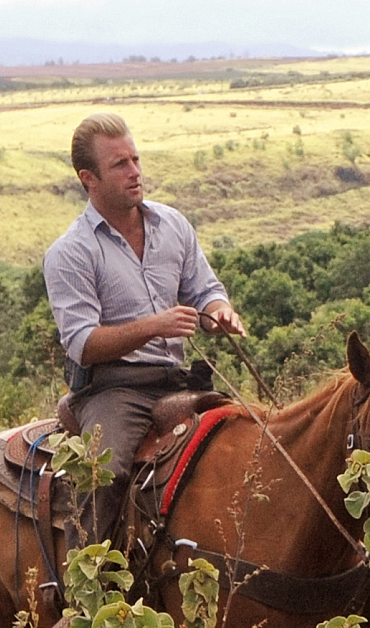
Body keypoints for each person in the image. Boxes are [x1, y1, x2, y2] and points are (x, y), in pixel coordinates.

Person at [44, 112, 244, 555]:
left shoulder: (172, 225)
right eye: (120, 165)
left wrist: (219, 313)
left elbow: (206, 290)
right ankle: (88, 591)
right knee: (105, 472)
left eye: (135, 159)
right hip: (115, 390)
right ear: (88, 179)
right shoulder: (71, 253)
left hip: (179, 380)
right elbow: (82, 344)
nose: (135, 172)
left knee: (248, 441)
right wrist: (155, 326)